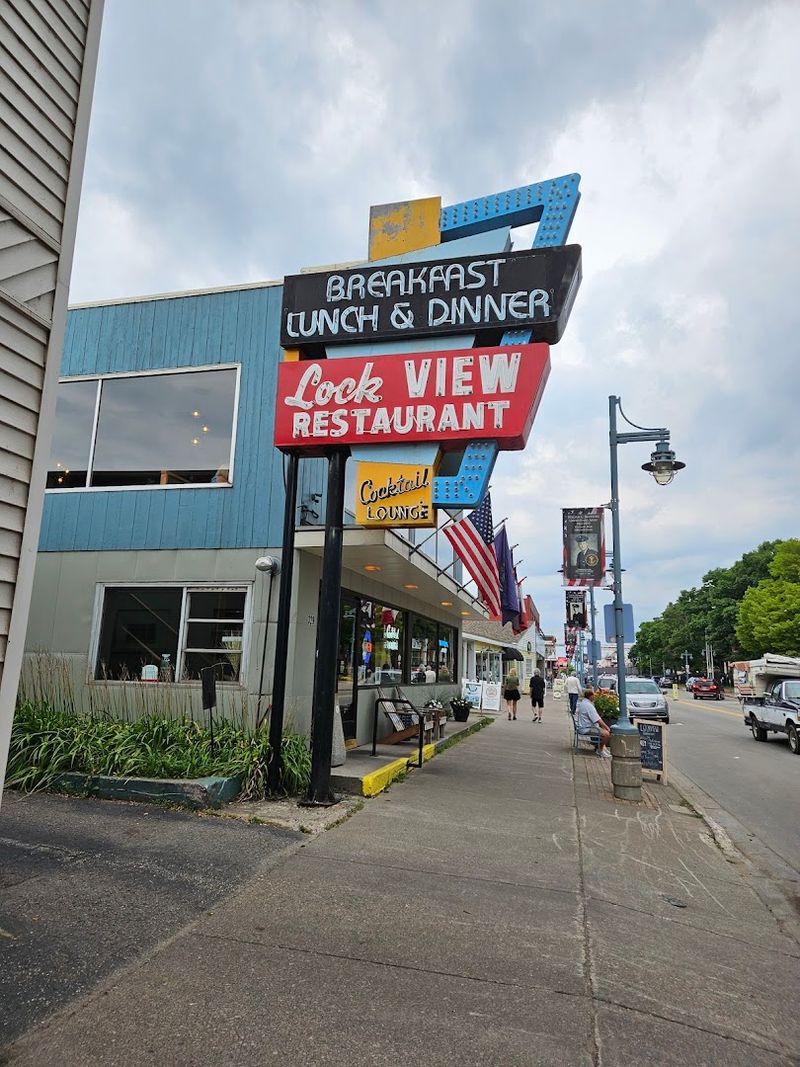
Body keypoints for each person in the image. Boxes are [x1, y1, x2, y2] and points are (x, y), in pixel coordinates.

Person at [576, 688, 611, 758]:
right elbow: (597, 719)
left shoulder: (584, 703)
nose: (594, 696)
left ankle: (601, 747)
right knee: (606, 734)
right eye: (593, 695)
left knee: (602, 730)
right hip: (586, 728)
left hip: (583, 726)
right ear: (590, 696)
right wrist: (607, 727)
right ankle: (600, 749)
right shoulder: (588, 706)